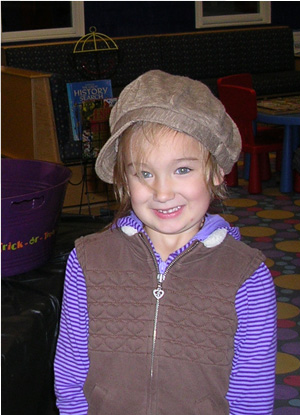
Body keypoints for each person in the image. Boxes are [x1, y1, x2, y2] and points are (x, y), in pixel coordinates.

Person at [54, 70, 277, 415]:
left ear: (217, 170)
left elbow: (252, 393)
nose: (162, 192)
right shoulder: (87, 262)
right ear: (124, 180)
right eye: (144, 173)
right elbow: (70, 371)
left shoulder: (248, 276)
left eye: (183, 170)